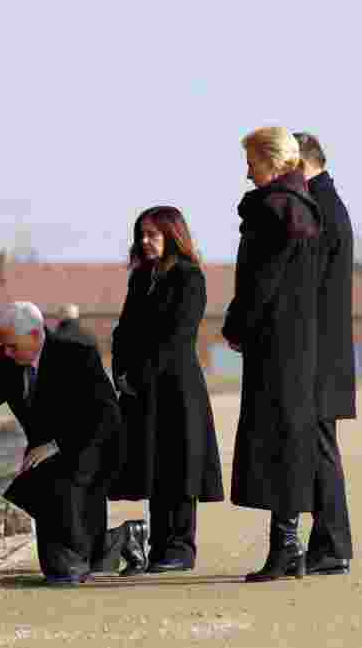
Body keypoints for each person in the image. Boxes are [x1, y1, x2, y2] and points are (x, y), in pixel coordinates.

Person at [0, 301, 147, 585]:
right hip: (48, 458)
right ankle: (120, 540)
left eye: (11, 346)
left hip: (91, 449)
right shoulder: (6, 361)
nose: (5, 352)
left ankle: (73, 562)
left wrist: (57, 443)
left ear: (35, 335)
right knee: (63, 530)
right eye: (3, 346)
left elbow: (105, 415)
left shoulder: (76, 355)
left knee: (58, 500)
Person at [223, 126, 323, 583]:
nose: (246, 172)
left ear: (272, 162)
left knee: (273, 438)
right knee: (290, 438)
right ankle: (289, 546)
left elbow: (260, 282)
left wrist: (238, 326)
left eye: (251, 162)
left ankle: (285, 550)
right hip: (300, 342)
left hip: (273, 341)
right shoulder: (306, 208)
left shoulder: (272, 210)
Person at [110, 206, 224, 574]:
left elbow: (176, 337)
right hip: (142, 390)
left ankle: (180, 547)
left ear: (172, 236)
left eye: (152, 235)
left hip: (176, 387)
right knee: (154, 467)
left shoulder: (190, 278)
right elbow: (123, 331)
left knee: (180, 467)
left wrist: (139, 376)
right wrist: (121, 373)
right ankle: (159, 546)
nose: (144, 241)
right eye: (141, 234)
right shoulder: (141, 277)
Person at [295, 132, 356, 575]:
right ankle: (328, 545)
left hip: (317, 354)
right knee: (319, 448)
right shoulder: (327, 204)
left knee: (320, 450)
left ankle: (333, 546)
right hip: (323, 352)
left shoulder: (322, 210)